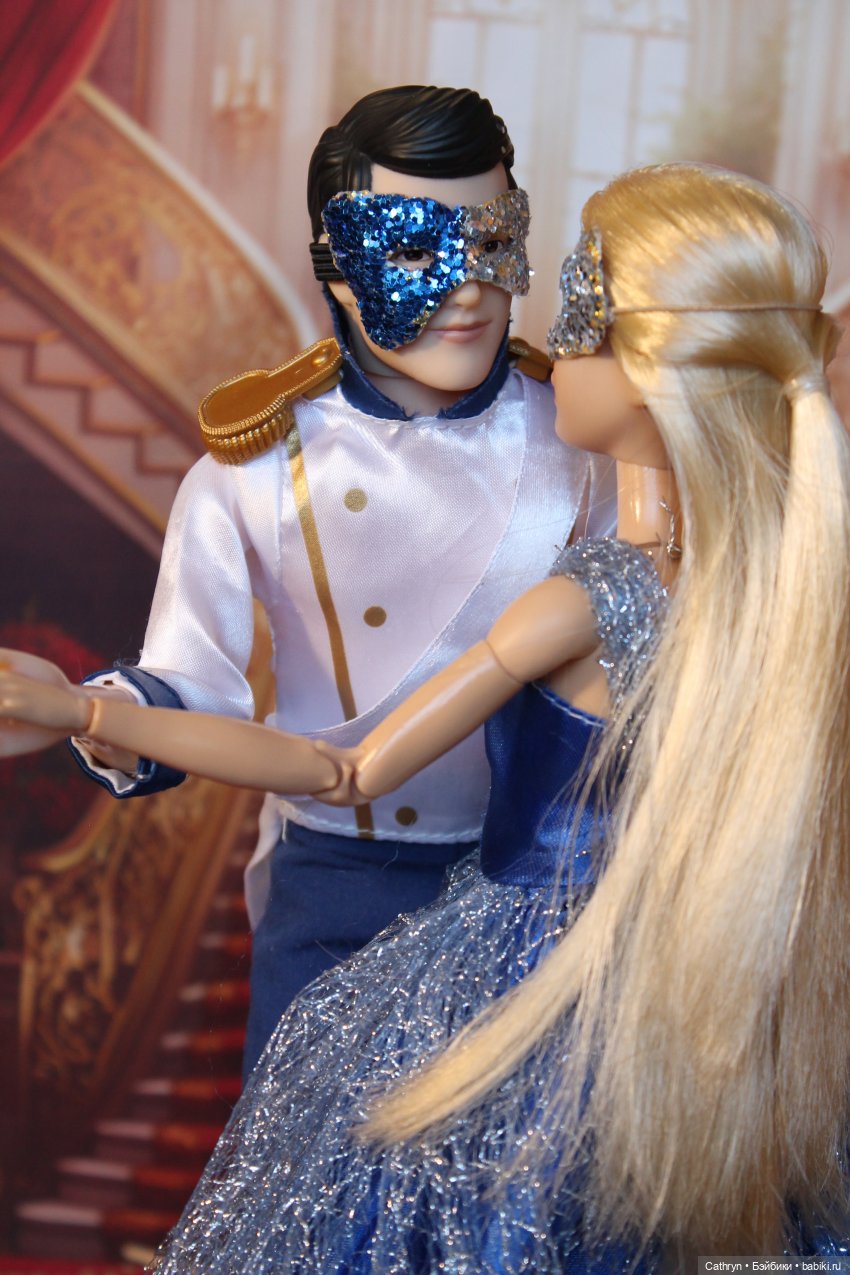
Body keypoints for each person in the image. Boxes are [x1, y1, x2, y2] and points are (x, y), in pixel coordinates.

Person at [3, 161, 848, 1265]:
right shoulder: (785, 592)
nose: (529, 332)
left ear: (642, 369)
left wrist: (84, 708)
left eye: (576, 324)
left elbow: (344, 769)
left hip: (517, 966)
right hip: (670, 980)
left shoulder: (595, 591)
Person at [9, 85, 613, 1074]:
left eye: (491, 241)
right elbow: (191, 681)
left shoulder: (583, 445)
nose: (467, 288)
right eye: (413, 252)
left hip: (533, 893)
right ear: (337, 264)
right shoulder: (263, 465)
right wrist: (82, 708)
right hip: (337, 885)